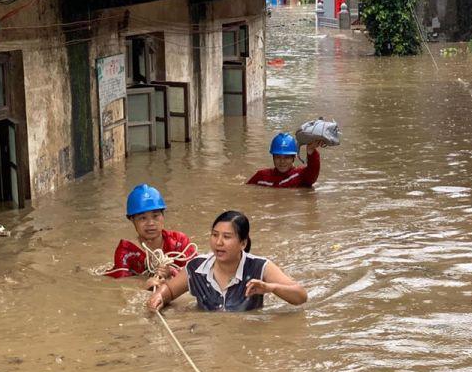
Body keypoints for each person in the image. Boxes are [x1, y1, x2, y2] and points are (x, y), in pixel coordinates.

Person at [147, 211, 307, 313]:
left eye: (227, 237)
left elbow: (301, 297)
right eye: (215, 235)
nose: (219, 242)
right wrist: (159, 296)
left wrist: (271, 287)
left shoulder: (260, 266)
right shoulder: (196, 267)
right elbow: (170, 290)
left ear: (243, 243)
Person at [106, 184, 195, 283]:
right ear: (132, 219)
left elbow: (198, 273)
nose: (151, 223)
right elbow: (122, 283)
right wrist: (143, 286)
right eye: (143, 218)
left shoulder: (179, 242)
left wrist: (172, 272)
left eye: (155, 216)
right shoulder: (126, 252)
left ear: (163, 216)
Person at [247, 132, 324, 188]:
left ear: (293, 158)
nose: (282, 161)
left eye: (286, 157)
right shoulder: (261, 176)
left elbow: (313, 171)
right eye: (278, 157)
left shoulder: (301, 175)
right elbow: (246, 190)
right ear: (273, 157)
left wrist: (311, 151)